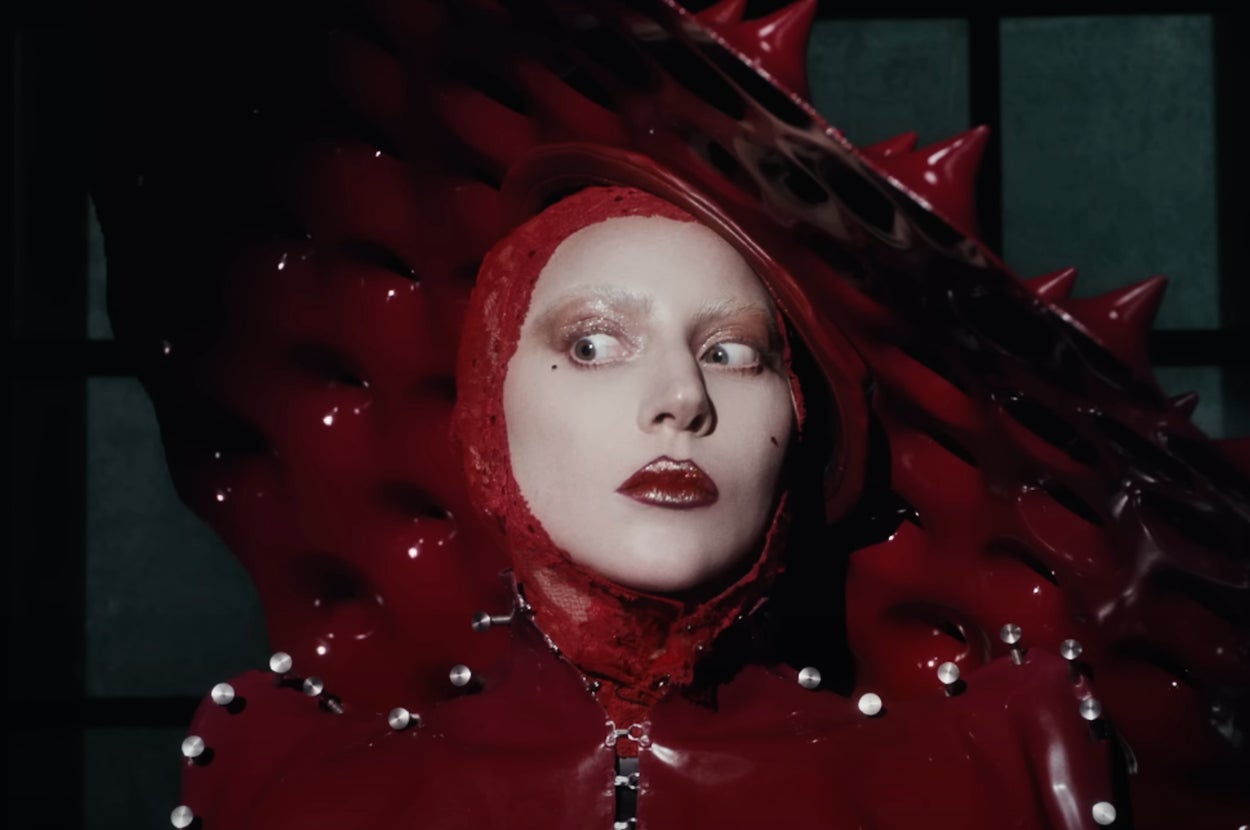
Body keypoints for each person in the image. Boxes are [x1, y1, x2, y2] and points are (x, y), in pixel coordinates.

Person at [89, 1, 1248, 827]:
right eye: (591, 343)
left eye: (733, 352)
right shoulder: (289, 774)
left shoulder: (1000, 759)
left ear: (797, 424)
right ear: (489, 408)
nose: (680, 399)